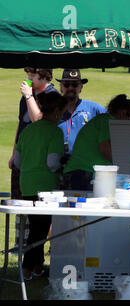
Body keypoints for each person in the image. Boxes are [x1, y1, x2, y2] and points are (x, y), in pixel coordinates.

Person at [13, 91, 67, 280]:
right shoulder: (55, 131)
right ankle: (26, 268)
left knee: (38, 228)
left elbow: (17, 162)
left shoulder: (28, 130)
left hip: (26, 183)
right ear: (57, 111)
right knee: (39, 231)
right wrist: (64, 163)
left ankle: (36, 267)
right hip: (45, 186)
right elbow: (52, 163)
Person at [62, 94, 130, 190]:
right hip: (82, 173)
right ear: (124, 113)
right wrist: (125, 167)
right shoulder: (106, 121)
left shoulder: (106, 121)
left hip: (84, 173)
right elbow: (105, 150)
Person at [9, 67, 58, 199]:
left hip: (39, 162)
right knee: (19, 203)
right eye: (27, 75)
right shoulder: (26, 97)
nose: (28, 80)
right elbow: (21, 124)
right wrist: (14, 154)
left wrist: (29, 96)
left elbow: (40, 123)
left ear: (44, 76)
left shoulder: (52, 96)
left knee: (37, 207)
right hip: (23, 157)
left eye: (32, 76)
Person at [56, 69, 106, 157]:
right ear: (61, 88)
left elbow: (114, 122)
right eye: (67, 85)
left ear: (81, 88)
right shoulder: (53, 110)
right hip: (59, 162)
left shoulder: (94, 109)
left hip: (86, 163)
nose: (71, 88)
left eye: (75, 85)